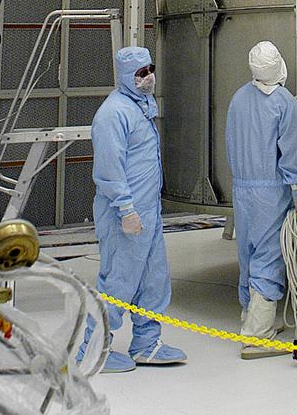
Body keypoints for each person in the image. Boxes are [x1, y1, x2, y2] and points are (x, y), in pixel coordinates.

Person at [81, 46, 186, 372]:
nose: (148, 78)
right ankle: (92, 349)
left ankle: (147, 343)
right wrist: (126, 209)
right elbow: (109, 169)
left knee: (154, 280)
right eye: (141, 73)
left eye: (150, 69)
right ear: (126, 76)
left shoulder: (140, 107)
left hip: (148, 212)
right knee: (119, 282)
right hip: (122, 214)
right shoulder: (113, 113)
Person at [226, 41, 297, 359]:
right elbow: (291, 153)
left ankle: (251, 316)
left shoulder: (238, 98)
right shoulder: (284, 102)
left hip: (242, 189)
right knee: (269, 257)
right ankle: (258, 334)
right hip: (271, 190)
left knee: (248, 254)